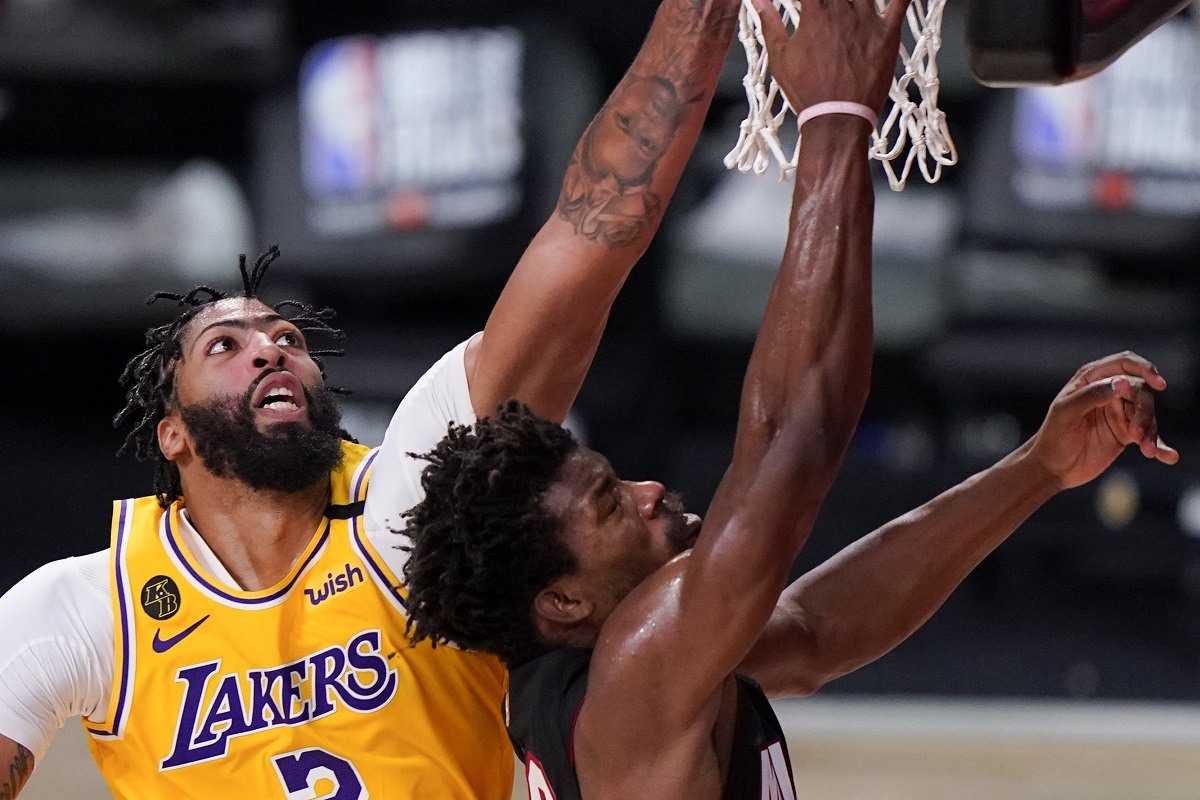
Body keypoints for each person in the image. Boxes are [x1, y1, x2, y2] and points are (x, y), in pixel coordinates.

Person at [398, 2, 1181, 798]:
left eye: (617, 480)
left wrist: (1037, 468)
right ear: (562, 601)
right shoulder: (634, 673)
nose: (648, 493)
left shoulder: (622, 667)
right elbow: (792, 444)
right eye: (609, 506)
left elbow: (814, 634)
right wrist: (837, 118)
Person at [0, 0, 745, 796]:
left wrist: (698, 15)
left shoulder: (415, 499)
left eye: (287, 341)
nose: (270, 350)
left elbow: (590, 234)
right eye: (227, 346)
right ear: (173, 434)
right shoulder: (89, 607)